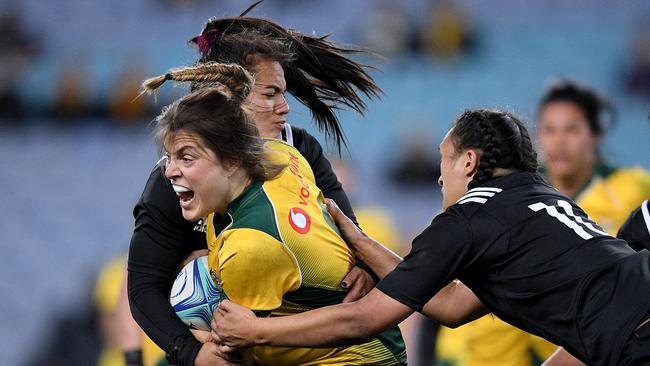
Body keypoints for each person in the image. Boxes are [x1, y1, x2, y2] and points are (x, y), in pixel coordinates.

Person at [212, 109, 650, 366]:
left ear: (468, 162)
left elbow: (364, 319)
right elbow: (452, 307)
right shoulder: (545, 200)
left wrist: (257, 331)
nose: (440, 177)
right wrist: (361, 243)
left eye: (444, 160)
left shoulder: (467, 219)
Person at [128, 13, 383, 366]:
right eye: (271, 93)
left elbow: (348, 232)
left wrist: (364, 266)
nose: (286, 106)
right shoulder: (172, 182)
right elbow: (144, 287)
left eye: (283, 92)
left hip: (312, 345)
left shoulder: (301, 151)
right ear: (228, 97)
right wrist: (193, 354)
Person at [154, 72, 407, 365]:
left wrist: (194, 332)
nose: (170, 172)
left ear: (233, 160)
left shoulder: (249, 247)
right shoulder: (284, 155)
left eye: (186, 158)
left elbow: (240, 352)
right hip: (381, 344)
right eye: (170, 158)